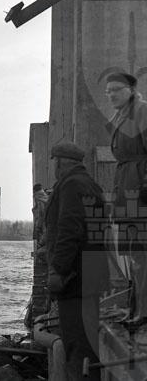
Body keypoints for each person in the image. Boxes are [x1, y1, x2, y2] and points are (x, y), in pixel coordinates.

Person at [45, 141, 107, 381]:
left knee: (77, 347)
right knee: (88, 344)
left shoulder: (71, 185)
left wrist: (58, 270)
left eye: (55, 162)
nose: (54, 168)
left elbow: (70, 229)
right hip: (90, 275)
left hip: (75, 279)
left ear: (61, 162)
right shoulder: (90, 184)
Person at [105, 71, 147, 324]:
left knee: (141, 254)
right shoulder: (120, 117)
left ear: (131, 89)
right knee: (132, 254)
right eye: (108, 91)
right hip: (126, 187)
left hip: (139, 191)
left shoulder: (142, 111)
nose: (111, 95)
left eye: (117, 90)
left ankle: (143, 312)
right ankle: (135, 309)